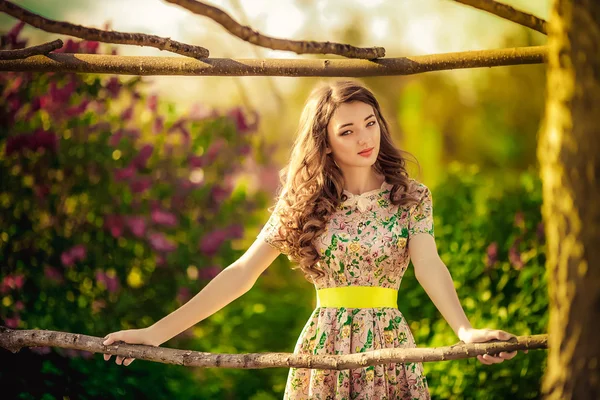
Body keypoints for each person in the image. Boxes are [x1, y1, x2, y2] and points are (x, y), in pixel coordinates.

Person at [102, 80, 526, 399]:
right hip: (323, 351)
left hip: (392, 348)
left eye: (370, 123)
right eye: (347, 131)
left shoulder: (411, 196)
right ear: (324, 142)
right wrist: (157, 332)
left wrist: (465, 330)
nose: (365, 139)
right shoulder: (302, 202)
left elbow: (429, 265)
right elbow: (243, 272)